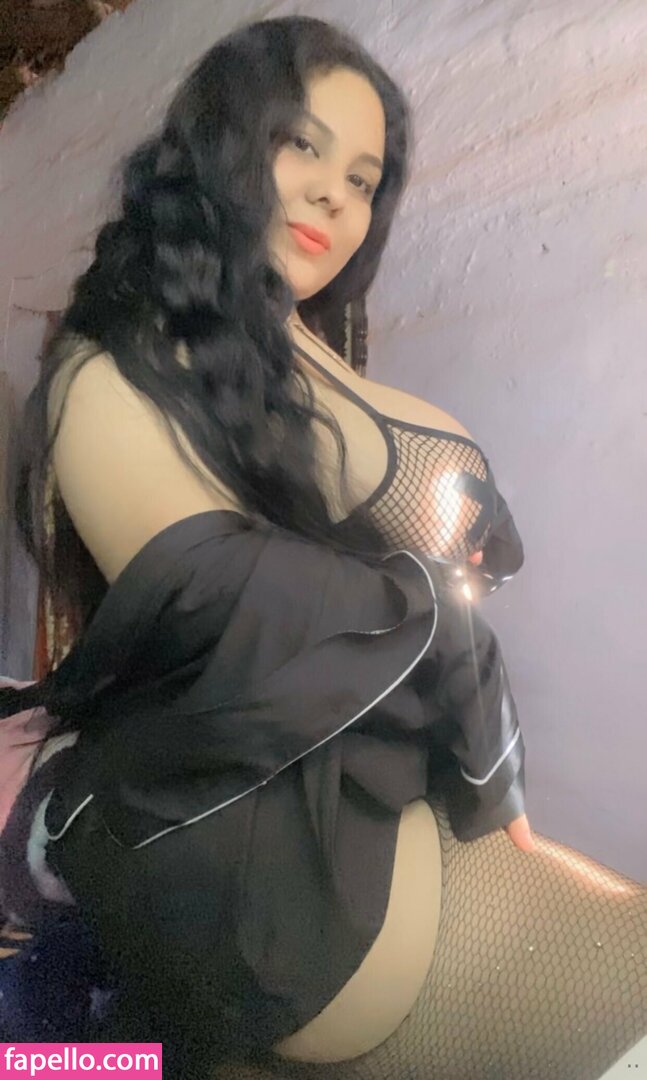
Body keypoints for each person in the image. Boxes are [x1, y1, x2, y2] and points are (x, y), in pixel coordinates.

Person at [0, 15, 645, 1080]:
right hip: (285, 871)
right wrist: (442, 624)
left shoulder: (293, 352)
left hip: (392, 811)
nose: (335, 196)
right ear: (218, 143)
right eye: (300, 143)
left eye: (363, 179)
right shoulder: (115, 364)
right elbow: (223, 614)